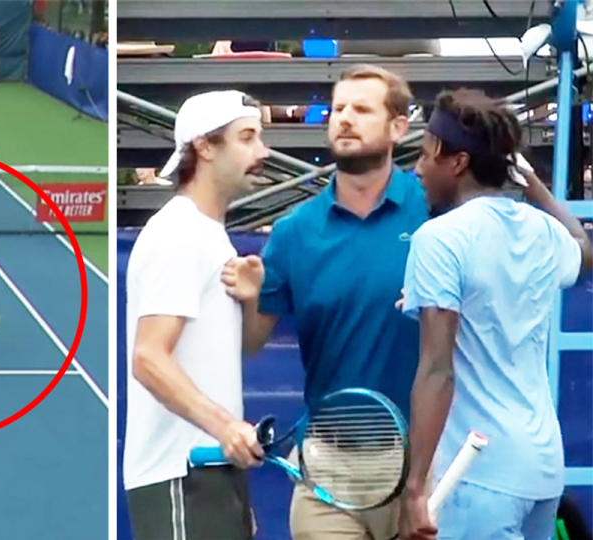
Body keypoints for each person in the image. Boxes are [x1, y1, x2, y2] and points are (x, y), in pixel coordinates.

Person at [225, 64, 427, 540]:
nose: (344, 119)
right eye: (338, 109)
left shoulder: (435, 214)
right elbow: (252, 343)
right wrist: (252, 299)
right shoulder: (294, 233)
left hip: (422, 464)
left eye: (361, 109)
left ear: (399, 127)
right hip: (326, 472)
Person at [398, 88, 591, 540]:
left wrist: (415, 488)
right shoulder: (542, 228)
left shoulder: (438, 238)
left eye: (427, 156)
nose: (418, 169)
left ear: (457, 162)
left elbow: (437, 371)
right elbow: (583, 248)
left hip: (476, 475)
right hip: (542, 470)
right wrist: (536, 188)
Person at [123, 90, 271, 540]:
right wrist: (227, 428)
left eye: (260, 138)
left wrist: (255, 299)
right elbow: (149, 358)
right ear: (205, 147)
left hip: (213, 472)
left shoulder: (211, 237)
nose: (262, 152)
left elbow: (244, 346)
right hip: (181, 474)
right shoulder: (177, 233)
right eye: (246, 138)